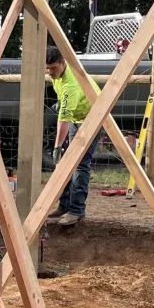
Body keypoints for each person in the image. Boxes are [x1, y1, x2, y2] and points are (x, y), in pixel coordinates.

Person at [46, 45, 97, 226]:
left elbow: (63, 120)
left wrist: (57, 148)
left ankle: (76, 210)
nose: (50, 72)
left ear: (63, 63)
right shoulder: (57, 76)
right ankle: (64, 205)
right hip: (78, 117)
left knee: (80, 164)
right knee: (67, 163)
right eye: (48, 69)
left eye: (53, 68)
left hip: (93, 118)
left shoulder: (71, 85)